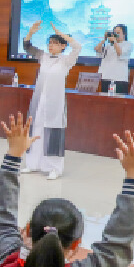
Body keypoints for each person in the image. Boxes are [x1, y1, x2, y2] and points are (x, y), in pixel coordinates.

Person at [0, 113, 134, 267]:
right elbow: (117, 248)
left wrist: (14, 153)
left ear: (26, 230)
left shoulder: (7, 259)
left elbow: (1, 217)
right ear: (76, 245)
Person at [21, 19, 81, 180]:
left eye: (55, 43)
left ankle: (54, 168)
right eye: (50, 43)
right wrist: (30, 33)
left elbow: (77, 47)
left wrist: (62, 35)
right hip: (40, 101)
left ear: (62, 46)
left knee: (53, 132)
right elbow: (27, 47)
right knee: (36, 129)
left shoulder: (66, 61)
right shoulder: (44, 57)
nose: (50, 46)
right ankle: (32, 163)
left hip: (55, 104)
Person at [95, 24, 132, 94]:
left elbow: (120, 53)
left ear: (124, 34)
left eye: (118, 33)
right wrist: (104, 39)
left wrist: (114, 42)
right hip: (106, 77)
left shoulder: (128, 44)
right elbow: (97, 49)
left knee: (119, 102)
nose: (115, 35)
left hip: (119, 79)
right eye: (114, 33)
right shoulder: (109, 45)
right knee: (105, 101)